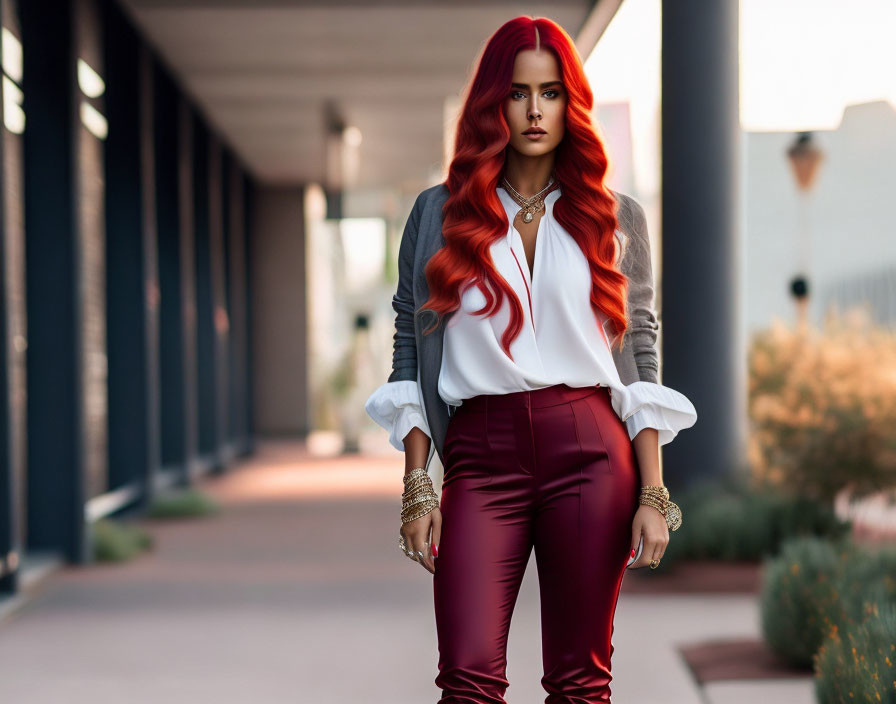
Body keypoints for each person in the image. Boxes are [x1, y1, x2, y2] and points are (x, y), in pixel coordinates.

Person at [364, 15, 698, 704]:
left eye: (550, 92)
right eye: (518, 93)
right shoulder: (439, 214)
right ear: (494, 102)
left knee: (580, 684)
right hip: (481, 455)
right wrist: (417, 483)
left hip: (590, 450)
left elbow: (639, 351)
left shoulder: (614, 217)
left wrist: (654, 492)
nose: (535, 109)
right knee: (467, 678)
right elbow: (410, 345)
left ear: (571, 103)